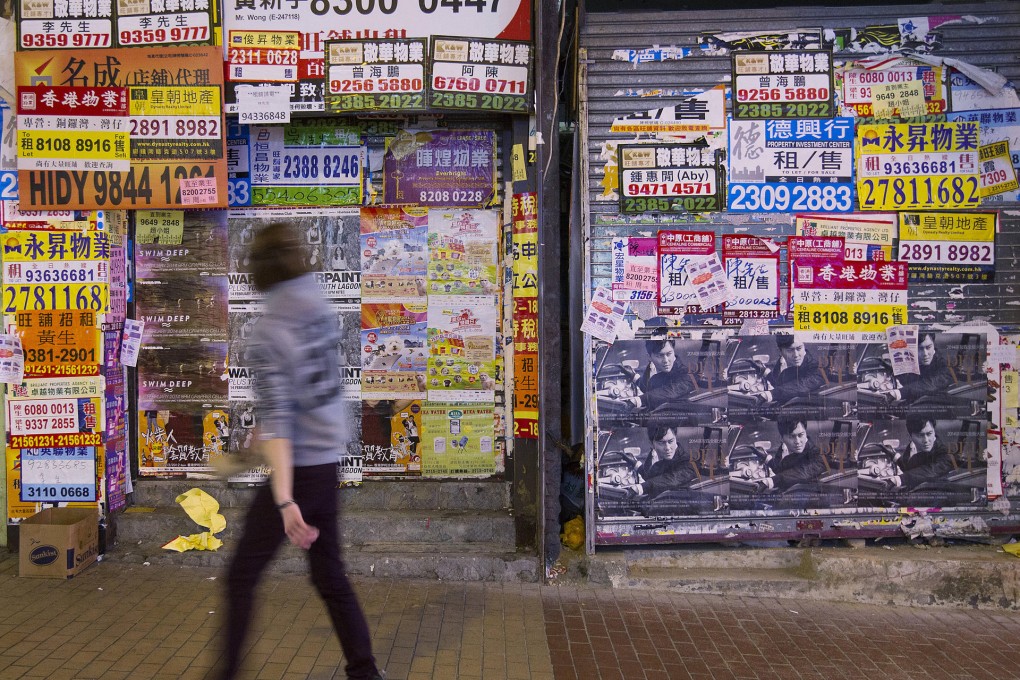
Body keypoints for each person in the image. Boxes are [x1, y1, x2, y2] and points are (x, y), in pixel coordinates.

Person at [219, 223, 383, 680]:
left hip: (298, 470)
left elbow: (280, 419)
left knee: (241, 576)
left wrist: (286, 501)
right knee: (330, 576)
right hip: (326, 462)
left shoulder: (271, 330)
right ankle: (365, 672)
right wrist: (258, 444)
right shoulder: (318, 306)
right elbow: (297, 400)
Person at [619, 335, 696, 411]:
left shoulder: (687, 374)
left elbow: (667, 391)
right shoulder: (651, 368)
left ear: (673, 351)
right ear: (649, 357)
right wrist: (634, 376)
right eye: (660, 356)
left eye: (669, 354)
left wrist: (636, 401)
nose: (666, 360)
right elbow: (649, 388)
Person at [623, 424, 700, 497]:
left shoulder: (689, 462)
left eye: (671, 441)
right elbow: (650, 477)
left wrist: (639, 488)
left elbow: (669, 479)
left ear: (675, 438)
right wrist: (635, 463)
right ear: (652, 444)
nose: (667, 448)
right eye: (661, 443)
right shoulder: (653, 454)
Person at [756, 418, 828, 491]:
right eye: (791, 436)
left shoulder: (818, 454)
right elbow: (780, 469)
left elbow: (799, 472)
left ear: (806, 433)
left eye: (801, 435)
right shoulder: (783, 448)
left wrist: (769, 482)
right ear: (781, 438)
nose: (797, 441)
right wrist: (766, 458)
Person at [886, 415, 957, 490]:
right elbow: (910, 468)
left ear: (934, 431)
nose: (926, 440)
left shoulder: (945, 453)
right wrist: (894, 456)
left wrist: (898, 479)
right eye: (920, 435)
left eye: (929, 434)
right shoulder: (911, 447)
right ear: (910, 436)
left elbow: (928, 471)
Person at [886, 332, 955, 402]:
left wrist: (899, 392)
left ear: (934, 344)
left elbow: (930, 384)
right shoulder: (907, 361)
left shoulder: (946, 366)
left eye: (928, 347)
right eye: (919, 349)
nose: (925, 354)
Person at [758, 335, 826, 404]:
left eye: (799, 348)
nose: (796, 355)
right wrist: (765, 372)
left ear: (804, 346)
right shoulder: (781, 362)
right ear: (780, 351)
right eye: (790, 350)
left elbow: (798, 386)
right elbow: (780, 384)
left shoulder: (817, 368)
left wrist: (768, 395)